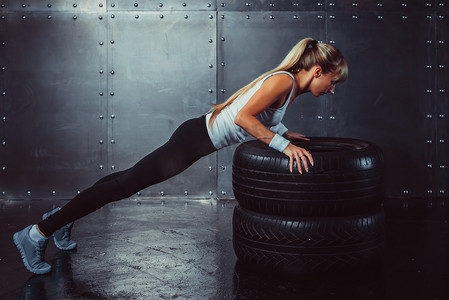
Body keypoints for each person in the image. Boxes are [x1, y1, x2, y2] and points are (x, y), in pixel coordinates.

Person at [13, 37, 348, 274]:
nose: (331, 90)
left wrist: (282, 131)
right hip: (193, 140)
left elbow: (259, 114)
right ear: (317, 70)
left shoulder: (287, 85)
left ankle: (64, 217)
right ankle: (36, 233)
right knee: (124, 185)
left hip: (195, 138)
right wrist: (282, 145)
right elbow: (245, 117)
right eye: (333, 82)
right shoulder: (284, 81)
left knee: (123, 180)